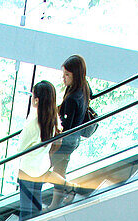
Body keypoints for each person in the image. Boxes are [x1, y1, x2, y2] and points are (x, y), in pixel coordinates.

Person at [49, 55, 92, 209]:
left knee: (41, 169)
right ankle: (56, 203)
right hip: (75, 141)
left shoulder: (72, 99)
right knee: (59, 171)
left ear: (76, 75)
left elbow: (65, 127)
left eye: (67, 75)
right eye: (64, 74)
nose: (64, 78)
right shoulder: (85, 88)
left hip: (66, 142)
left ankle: (70, 188)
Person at [16, 81, 59, 220]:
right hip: (42, 168)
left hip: (28, 170)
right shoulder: (52, 117)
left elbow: (20, 148)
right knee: (36, 205)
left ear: (37, 100)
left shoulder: (33, 120)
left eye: (32, 95)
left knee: (26, 210)